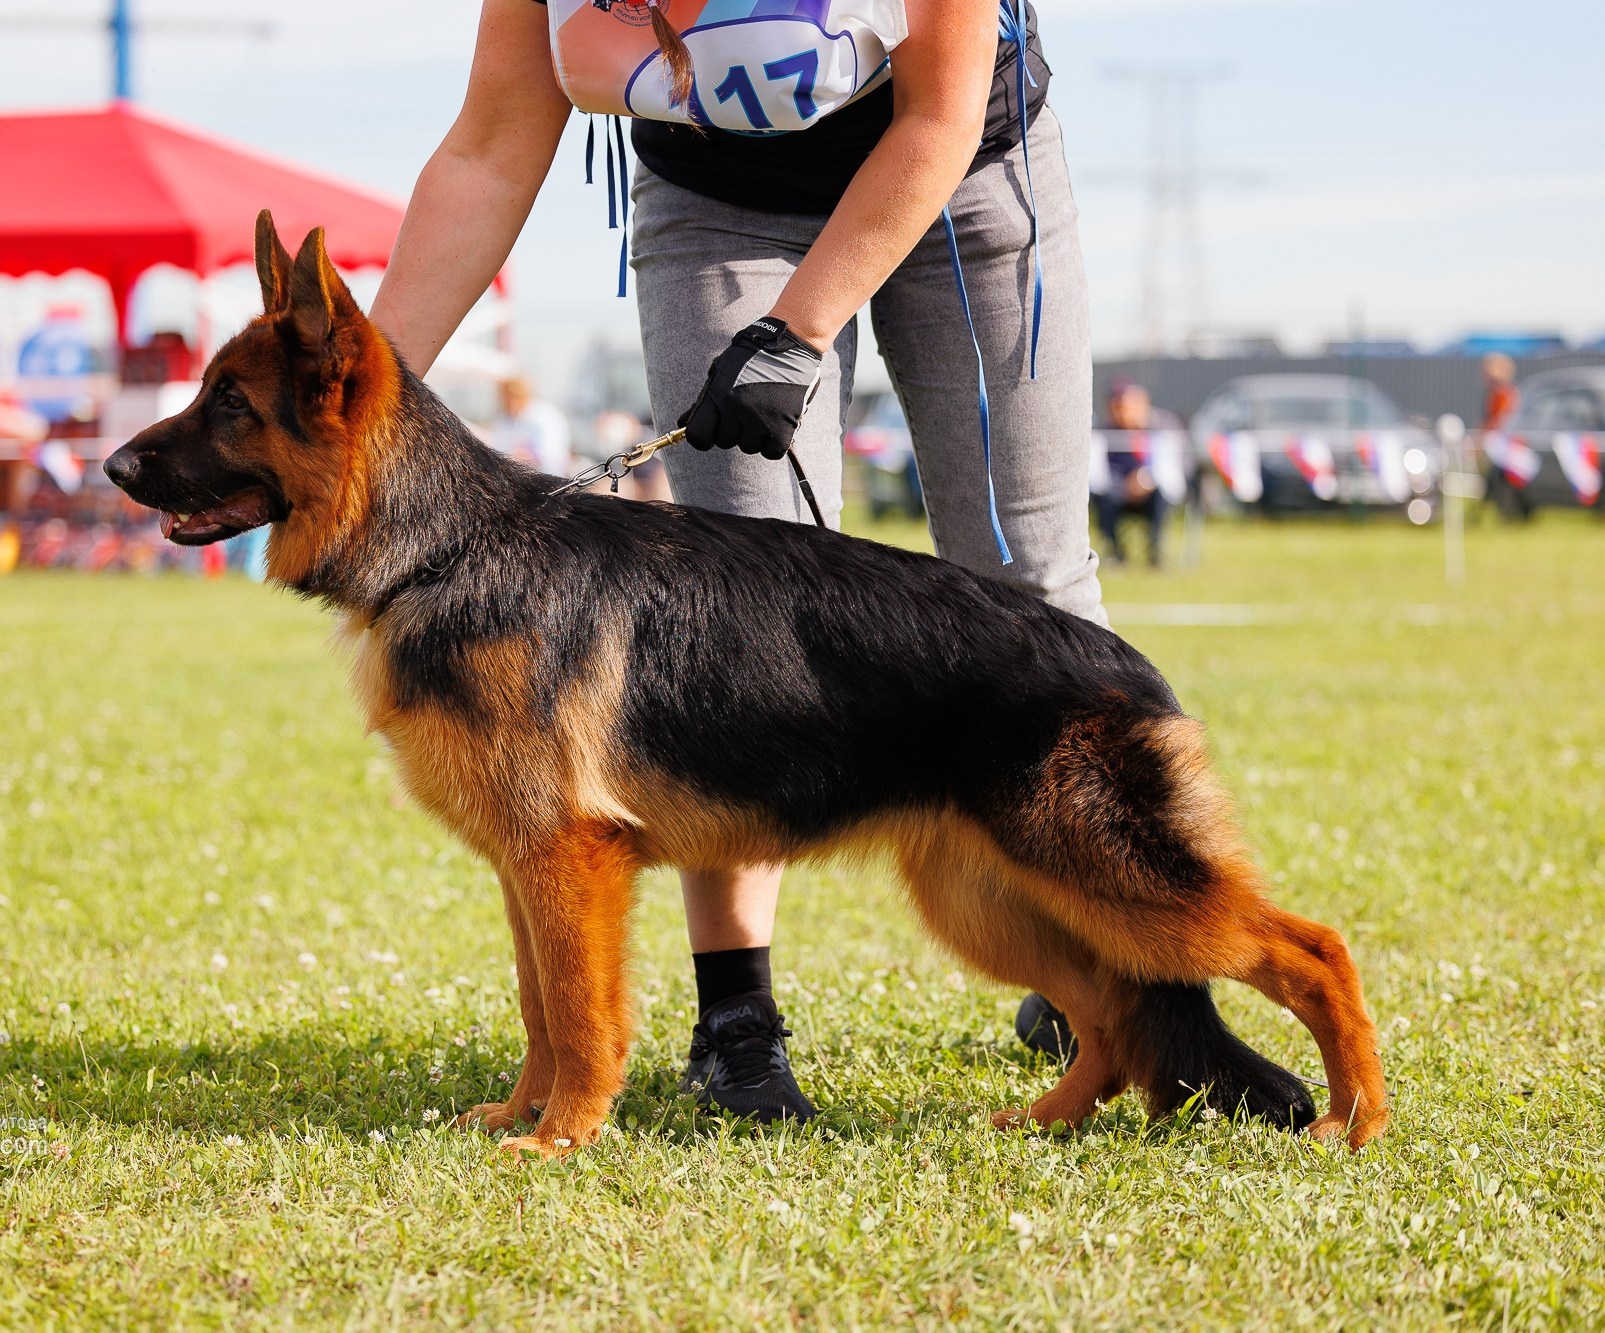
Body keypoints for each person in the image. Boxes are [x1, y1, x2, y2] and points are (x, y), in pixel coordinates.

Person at [370, 0, 1098, 1122]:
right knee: (724, 623)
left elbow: (936, 117)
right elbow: (488, 142)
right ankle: (736, 1025)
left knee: (1024, 581)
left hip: (961, 168)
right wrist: (358, 402)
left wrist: (795, 332)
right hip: (720, 205)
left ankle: (1102, 964)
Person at [1092, 378, 1173, 568]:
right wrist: (1123, 486)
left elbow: (1171, 471)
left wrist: (1145, 481)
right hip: (1116, 495)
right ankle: (1117, 555)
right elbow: (1097, 475)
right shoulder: (1103, 433)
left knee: (1161, 497)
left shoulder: (1159, 430)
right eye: (1118, 405)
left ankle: (1155, 554)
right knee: (1102, 499)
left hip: (1149, 494)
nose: (1123, 411)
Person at [487, 375, 574, 475]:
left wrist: (524, 456)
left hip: (546, 478)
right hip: (512, 477)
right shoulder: (504, 419)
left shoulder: (544, 416)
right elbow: (498, 446)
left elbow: (552, 455)